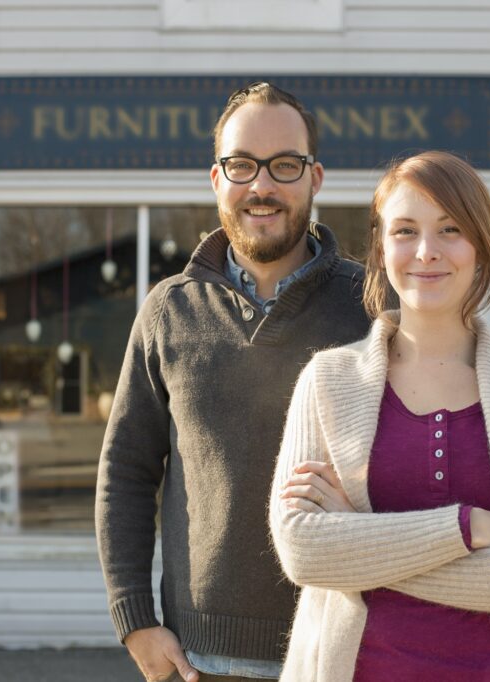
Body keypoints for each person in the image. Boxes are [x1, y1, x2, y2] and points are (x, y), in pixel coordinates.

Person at [269, 150, 490, 681]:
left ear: (481, 247)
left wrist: (360, 543)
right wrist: (469, 527)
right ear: (380, 247)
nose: (426, 251)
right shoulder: (328, 381)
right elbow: (305, 551)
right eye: (405, 230)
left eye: (449, 229)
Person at [94, 82, 371, 682]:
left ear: (315, 178)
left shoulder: (375, 307)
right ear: (216, 179)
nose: (262, 185)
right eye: (242, 165)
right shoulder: (168, 311)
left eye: (285, 166)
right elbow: (126, 473)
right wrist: (136, 621)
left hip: (346, 651)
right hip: (200, 662)